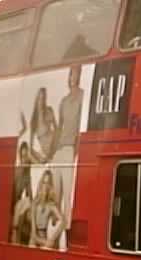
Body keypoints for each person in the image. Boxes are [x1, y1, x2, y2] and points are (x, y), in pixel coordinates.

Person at [51, 65, 84, 228]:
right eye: (71, 74)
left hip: (70, 148)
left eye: (76, 74)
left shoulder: (82, 96)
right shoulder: (63, 101)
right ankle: (54, 228)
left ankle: (64, 230)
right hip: (59, 150)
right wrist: (53, 151)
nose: (73, 77)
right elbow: (59, 127)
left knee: (67, 192)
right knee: (55, 192)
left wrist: (76, 150)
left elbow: (80, 126)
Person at [29, 169, 65, 249]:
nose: (45, 186)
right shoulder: (35, 204)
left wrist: (52, 238)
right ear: (41, 184)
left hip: (45, 237)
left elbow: (63, 221)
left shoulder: (51, 205)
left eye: (48, 183)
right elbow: (34, 234)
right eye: (44, 182)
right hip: (34, 239)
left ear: (50, 186)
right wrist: (46, 242)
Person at [11, 142, 34, 244]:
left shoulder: (27, 175)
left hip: (16, 204)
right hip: (10, 202)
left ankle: (17, 234)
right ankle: (15, 231)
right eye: (22, 156)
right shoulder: (17, 170)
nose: (24, 160)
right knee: (21, 205)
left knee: (27, 202)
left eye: (26, 156)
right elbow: (12, 192)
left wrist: (33, 207)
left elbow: (30, 195)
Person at [30, 87, 57, 163]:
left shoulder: (49, 110)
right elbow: (30, 147)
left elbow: (57, 129)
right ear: (36, 99)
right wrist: (39, 158)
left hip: (54, 147)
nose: (41, 101)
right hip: (45, 153)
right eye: (40, 98)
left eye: (43, 98)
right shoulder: (33, 119)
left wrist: (52, 149)